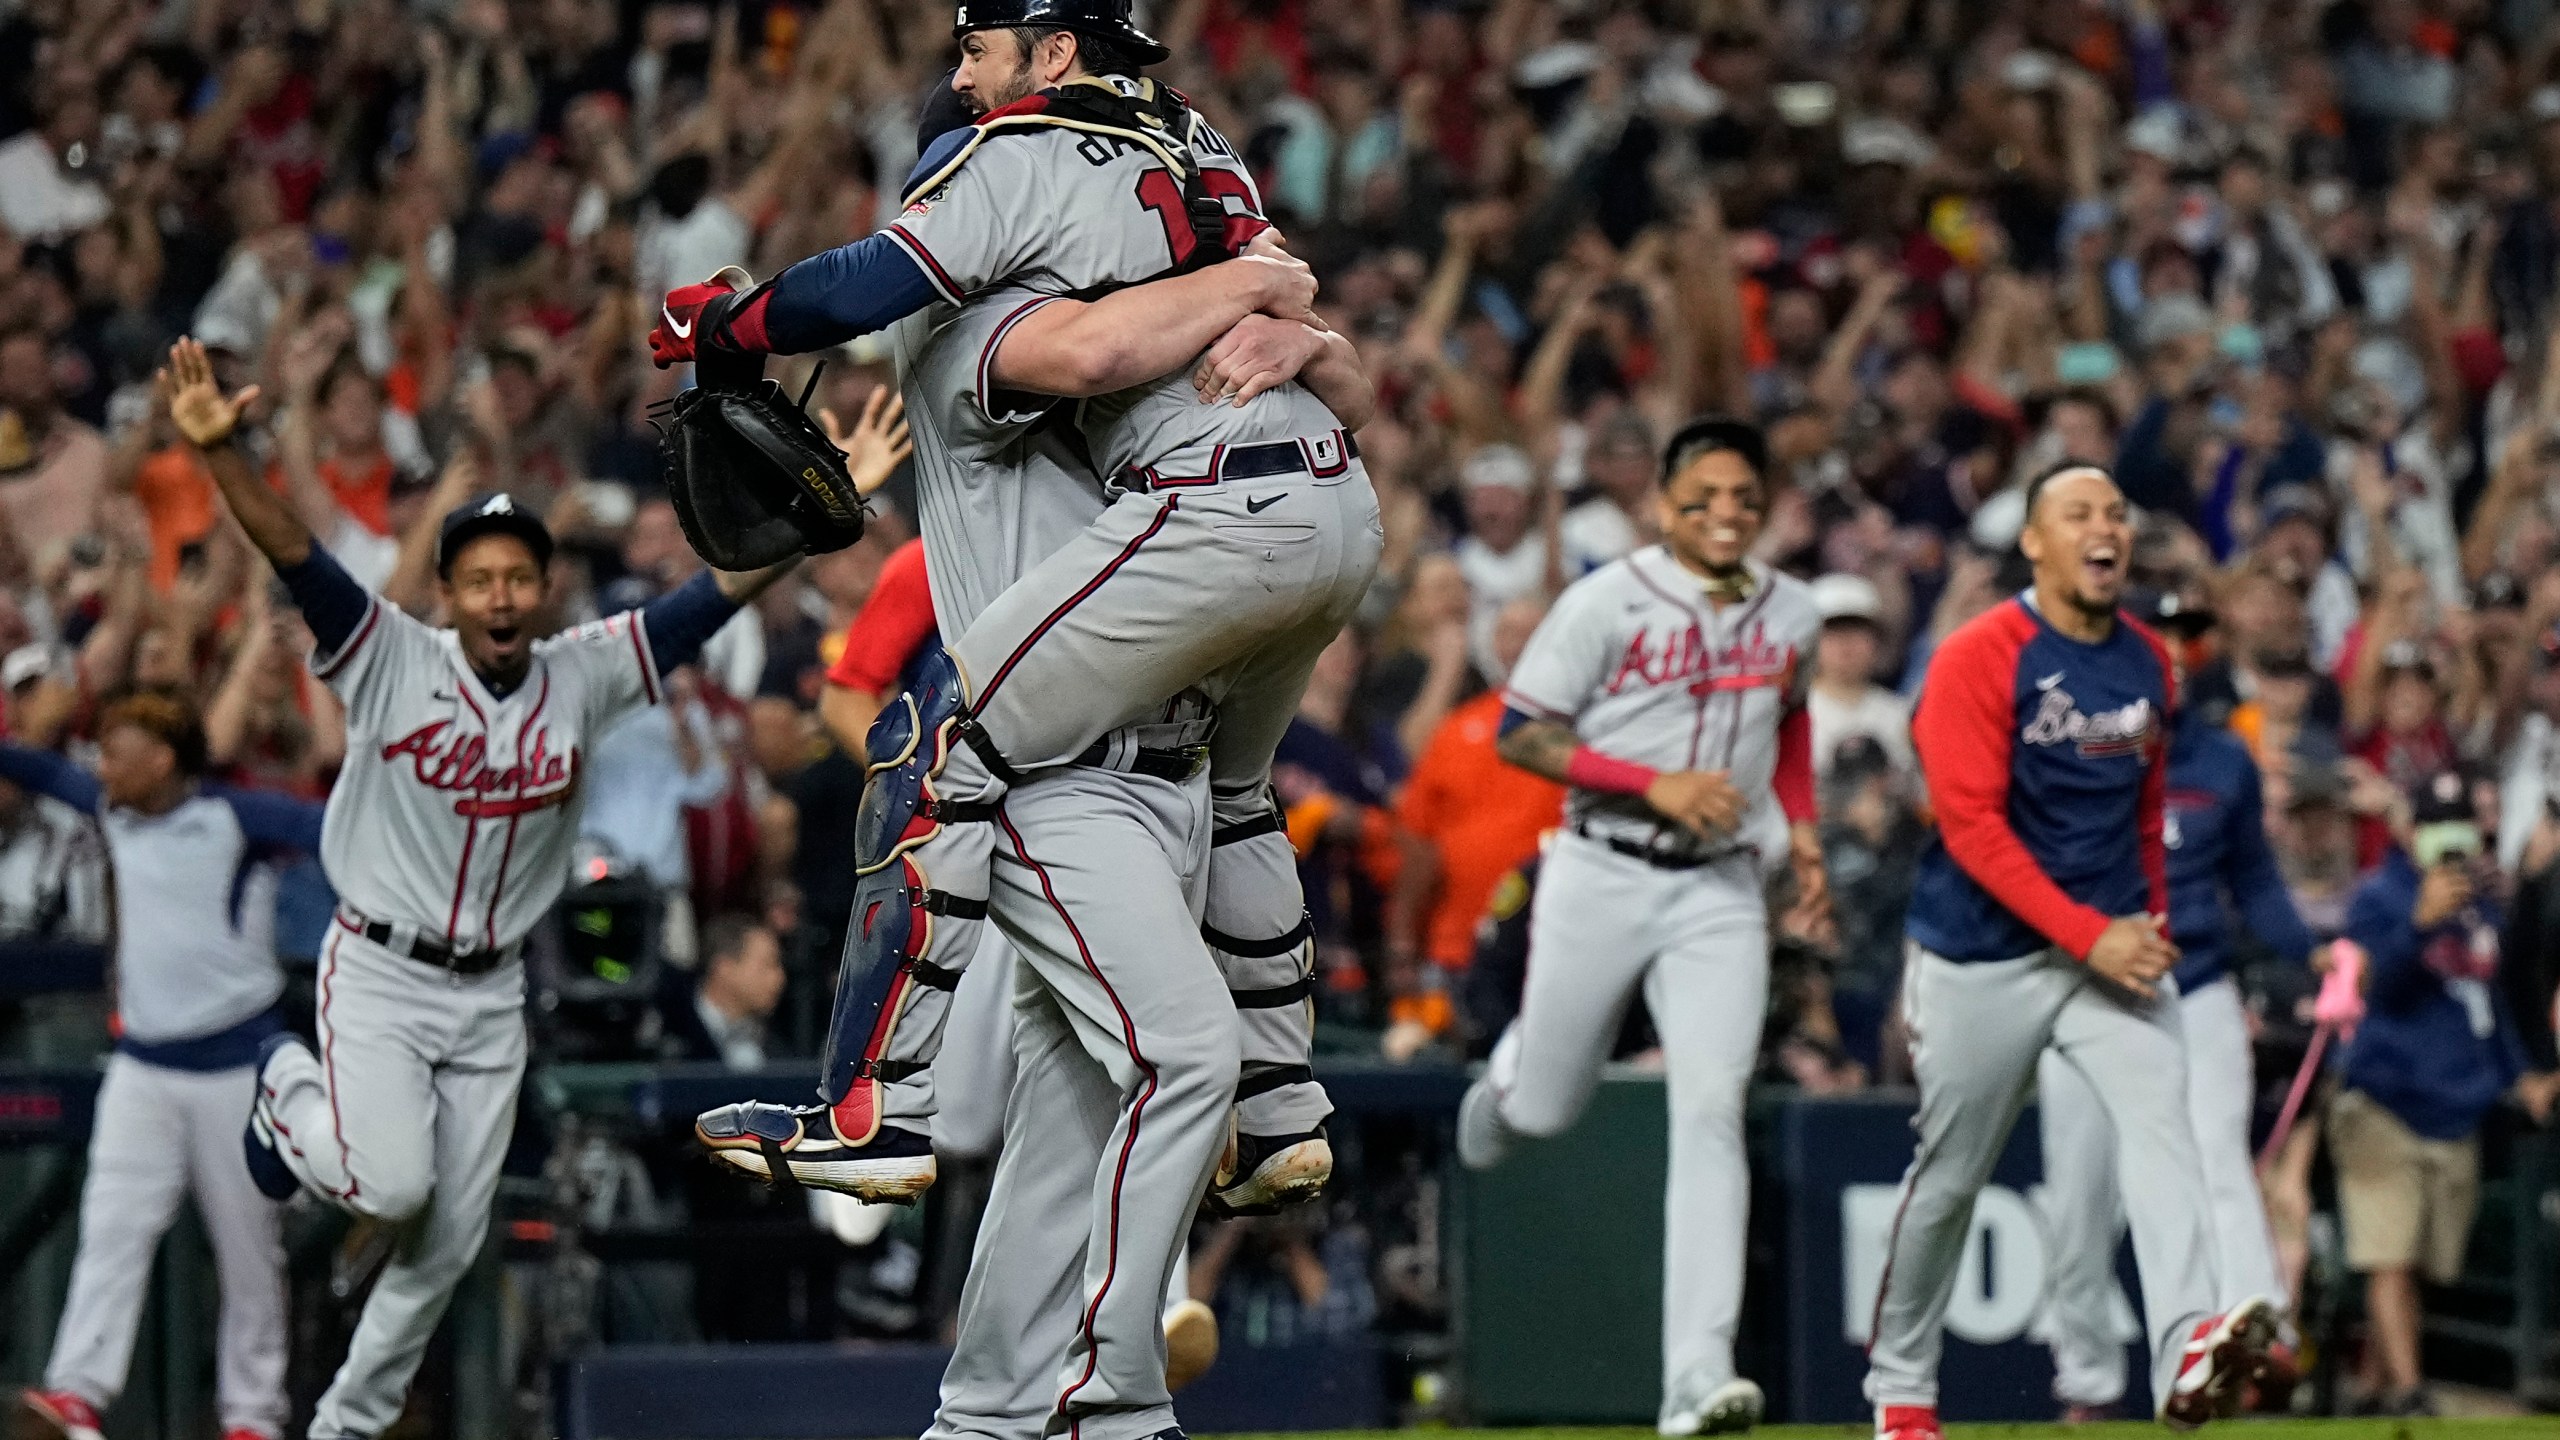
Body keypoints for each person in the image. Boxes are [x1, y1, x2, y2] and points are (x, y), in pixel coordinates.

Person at [690, 50, 1377, 1437]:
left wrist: (1299, 322)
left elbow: (1250, 338)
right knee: (1182, 1060)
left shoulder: (1117, 290)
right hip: (1061, 783)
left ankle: (983, 1418)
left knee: (1068, 1138)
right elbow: (1087, 346)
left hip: (1157, 764)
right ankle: (1107, 1397)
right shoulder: (978, 330)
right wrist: (1263, 287)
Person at [148, 336, 795, 1440]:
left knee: (449, 1241)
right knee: (393, 1189)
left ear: (543, 592)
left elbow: (705, 605)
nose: (500, 594)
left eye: (518, 577)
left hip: (492, 992)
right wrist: (225, 458)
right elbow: (296, 549)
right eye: (478, 577)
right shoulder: (389, 654)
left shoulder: (579, 670)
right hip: (385, 968)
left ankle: (345, 1426)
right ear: (446, 592)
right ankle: (282, 1088)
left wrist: (814, 513)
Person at [1863, 463, 2273, 1440]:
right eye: (2077, 514)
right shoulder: (1975, 656)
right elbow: (1970, 829)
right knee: (1950, 1178)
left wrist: (2149, 919)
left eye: (2115, 515)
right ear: (2035, 545)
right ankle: (1901, 1390)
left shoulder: (2148, 662)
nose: (2105, 529)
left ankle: (2187, 1351)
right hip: (1982, 954)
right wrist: (2090, 934)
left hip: (2109, 950)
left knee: (2166, 1133)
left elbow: (2139, 813)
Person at [1454, 416, 1827, 1437]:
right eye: (1701, 497)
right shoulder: (1606, 599)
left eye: (1742, 499)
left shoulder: (1791, 611)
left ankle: (1695, 1380)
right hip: (1599, 867)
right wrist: (1650, 783)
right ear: (1663, 502)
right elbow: (1521, 735)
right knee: (1543, 1110)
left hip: (1720, 887)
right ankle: (1506, 1079)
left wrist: (1808, 841)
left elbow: (1787, 719)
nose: (1723, 515)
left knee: (1710, 1109)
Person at [2035, 591, 2317, 1421]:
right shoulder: (2077, 742)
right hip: (2082, 988)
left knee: (2217, 1161)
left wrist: (2312, 952)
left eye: (2187, 640)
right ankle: (2085, 1379)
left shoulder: (2225, 759)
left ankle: (2258, 1344)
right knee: (2081, 1192)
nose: (2174, 653)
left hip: (2194, 987)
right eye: (2156, 639)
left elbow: (2256, 881)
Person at [5, 693, 318, 1440]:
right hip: (142, 1066)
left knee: (249, 1249)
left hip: (238, 1063)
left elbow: (337, 828)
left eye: (118, 751)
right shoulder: (113, 810)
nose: (102, 766)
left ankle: (253, 1414)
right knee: (111, 1228)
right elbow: (39, 769)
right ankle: (78, 1394)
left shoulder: (240, 818)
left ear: (163, 758)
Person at [2330, 768, 2560, 1416]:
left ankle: (2373, 1387)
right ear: (2415, 832)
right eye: (2436, 823)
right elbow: (2377, 992)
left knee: (2429, 1266)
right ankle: (2408, 1393)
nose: (2451, 838)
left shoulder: (2482, 907)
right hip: (2385, 1099)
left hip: (2456, 1105)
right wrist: (2419, 923)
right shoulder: (2380, 896)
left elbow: (2489, 1006)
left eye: (2461, 824)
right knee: (2390, 1259)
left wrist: (2521, 1074)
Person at [1804, 573, 1913, 778]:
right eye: (1833, 631)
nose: (1846, 643)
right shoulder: (1791, 715)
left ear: (1876, 639)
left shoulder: (1898, 714)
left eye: (1857, 630)